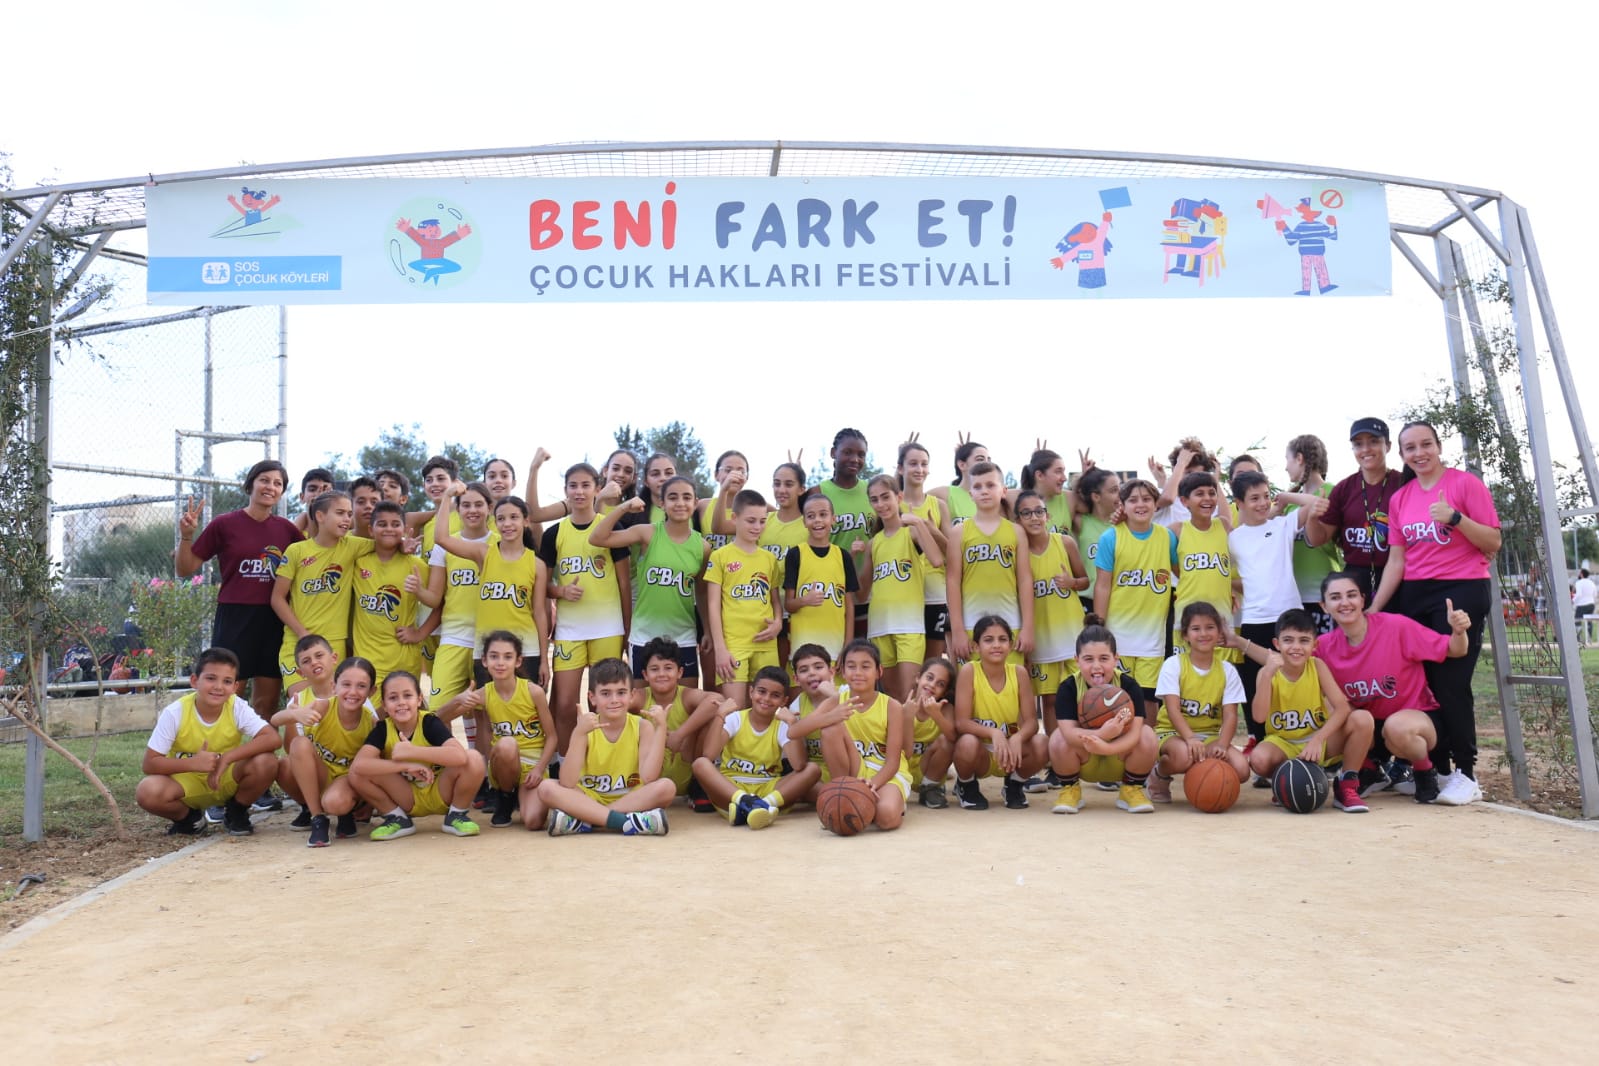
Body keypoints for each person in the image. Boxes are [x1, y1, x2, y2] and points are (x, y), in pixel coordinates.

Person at [1371, 421, 1502, 805]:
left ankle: (1467, 773)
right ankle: (1439, 769)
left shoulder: (1465, 485)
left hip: (1461, 588)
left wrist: (1456, 519)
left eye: (1426, 444)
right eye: (1410, 448)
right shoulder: (1401, 498)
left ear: (1439, 446)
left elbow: (1493, 540)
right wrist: (1374, 608)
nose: (1419, 453)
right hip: (1416, 594)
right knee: (1424, 687)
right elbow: (1397, 560)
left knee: (1451, 683)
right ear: (1402, 454)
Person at [1310, 571, 1475, 805]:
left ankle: (1425, 772)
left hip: (1415, 720)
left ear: (1363, 600)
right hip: (1372, 727)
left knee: (1396, 727)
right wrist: (1250, 648)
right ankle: (1368, 768)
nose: (1345, 602)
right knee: (1326, 701)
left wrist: (1459, 632)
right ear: (1324, 606)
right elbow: (1289, 663)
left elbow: (1456, 649)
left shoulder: (1395, 626)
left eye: (1351, 595)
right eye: (1335, 597)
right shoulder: (1324, 646)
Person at [175, 460, 302, 724]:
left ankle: (258, 750)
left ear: (282, 492)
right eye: (264, 480)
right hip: (235, 616)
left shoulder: (287, 530)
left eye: (277, 483)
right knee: (228, 696)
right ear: (250, 485)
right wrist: (186, 536)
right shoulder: (225, 524)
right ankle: (219, 747)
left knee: (266, 702)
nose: (270, 487)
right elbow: (185, 568)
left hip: (274, 618)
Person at [134, 647, 281, 837]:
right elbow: (150, 764)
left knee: (267, 762)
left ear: (235, 687)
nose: (218, 687)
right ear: (195, 681)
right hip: (187, 781)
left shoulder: (236, 706)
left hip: (225, 777)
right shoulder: (175, 712)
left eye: (227, 681)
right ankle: (189, 819)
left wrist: (227, 758)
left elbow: (272, 738)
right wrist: (193, 763)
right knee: (147, 791)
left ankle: (236, 811)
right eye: (211, 678)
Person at [1227, 469, 1327, 745]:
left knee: (1300, 679)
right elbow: (1222, 572)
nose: (1262, 503)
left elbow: (1315, 503)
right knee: (1257, 683)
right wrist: (1231, 590)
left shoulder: (1283, 525)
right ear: (1239, 502)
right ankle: (1259, 743)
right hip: (1254, 620)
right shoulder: (1233, 538)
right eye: (1254, 498)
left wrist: (1283, 498)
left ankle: (1305, 741)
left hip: (1290, 617)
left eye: (1265, 496)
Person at [1241, 608, 1374, 813]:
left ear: (1314, 645)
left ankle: (1346, 786)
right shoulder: (1267, 673)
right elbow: (1258, 717)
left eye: (1304, 640)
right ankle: (1287, 781)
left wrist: (1318, 739)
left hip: (1317, 740)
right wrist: (1267, 674)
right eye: (1288, 640)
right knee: (1259, 758)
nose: (1296, 647)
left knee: (1363, 719)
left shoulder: (1317, 666)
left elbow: (1342, 708)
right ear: (1277, 644)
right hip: (1283, 743)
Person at [539, 463, 631, 751]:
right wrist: (561, 591)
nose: (579, 491)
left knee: (606, 703)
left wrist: (627, 630)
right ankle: (565, 762)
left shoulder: (610, 527)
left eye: (585, 485)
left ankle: (603, 760)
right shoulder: (554, 533)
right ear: (565, 490)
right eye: (573, 485)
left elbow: (624, 584)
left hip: (608, 628)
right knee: (565, 704)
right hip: (570, 630)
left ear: (597, 488)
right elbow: (542, 586)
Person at [537, 658, 675, 836]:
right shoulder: (586, 727)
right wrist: (579, 734)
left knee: (666, 787)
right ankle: (626, 822)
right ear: (592, 698)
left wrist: (661, 728)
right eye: (605, 693)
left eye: (621, 692)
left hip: (630, 798)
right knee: (546, 788)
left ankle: (587, 820)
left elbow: (648, 777)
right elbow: (567, 782)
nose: (614, 700)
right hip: (589, 797)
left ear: (632, 695)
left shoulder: (643, 726)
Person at [591, 478, 709, 680]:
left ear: (695, 502)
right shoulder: (647, 533)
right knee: (640, 698)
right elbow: (597, 538)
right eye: (673, 497)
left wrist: (706, 631)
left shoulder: (703, 547)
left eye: (686, 497)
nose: (680, 503)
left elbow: (702, 592)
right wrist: (624, 507)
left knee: (684, 697)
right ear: (662, 503)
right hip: (644, 636)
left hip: (683, 637)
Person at [437, 631, 557, 830]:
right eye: (494, 656)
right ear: (484, 661)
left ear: (518, 661)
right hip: (503, 762)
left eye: (507, 657)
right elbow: (436, 720)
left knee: (533, 822)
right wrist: (457, 700)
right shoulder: (484, 694)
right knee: (507, 744)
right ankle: (505, 797)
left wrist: (539, 768)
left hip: (533, 765)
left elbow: (552, 737)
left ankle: (521, 795)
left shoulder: (533, 692)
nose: (500, 663)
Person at [347, 671, 486, 839]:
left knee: (474, 758)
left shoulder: (429, 722)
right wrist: (405, 765)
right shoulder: (383, 729)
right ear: (384, 705)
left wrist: (413, 751)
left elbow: (459, 756)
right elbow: (359, 765)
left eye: (407, 695)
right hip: (405, 796)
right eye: (393, 698)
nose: (401, 702)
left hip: (440, 791)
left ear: (419, 699)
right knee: (356, 773)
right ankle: (397, 818)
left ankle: (456, 814)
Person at [1047, 621, 1160, 814]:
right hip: (1085, 759)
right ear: (1077, 660)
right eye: (1088, 659)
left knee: (1147, 734)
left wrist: (1106, 747)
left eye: (1104, 658)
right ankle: (1070, 789)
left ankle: (1131, 789)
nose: (1096, 666)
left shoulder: (1129, 686)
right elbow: (1068, 733)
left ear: (1116, 659)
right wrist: (1102, 734)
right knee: (1057, 738)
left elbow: (1135, 735)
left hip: (1119, 757)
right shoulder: (1069, 687)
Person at [691, 665, 820, 828]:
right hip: (732, 789)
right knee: (700, 764)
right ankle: (747, 802)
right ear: (751, 692)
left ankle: (761, 806)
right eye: (762, 691)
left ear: (784, 701)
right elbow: (709, 754)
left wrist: (792, 723)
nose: (766, 699)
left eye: (775, 695)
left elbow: (798, 765)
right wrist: (720, 715)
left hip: (768, 788)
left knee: (812, 769)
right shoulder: (736, 719)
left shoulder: (782, 724)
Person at [272, 653, 379, 846]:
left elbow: (378, 766)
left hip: (349, 780)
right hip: (322, 774)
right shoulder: (323, 707)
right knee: (299, 744)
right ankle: (317, 817)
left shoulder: (371, 722)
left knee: (335, 803)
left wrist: (370, 802)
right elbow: (275, 720)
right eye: (346, 684)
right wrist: (294, 715)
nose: (352, 692)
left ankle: (347, 811)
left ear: (372, 691)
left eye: (361, 686)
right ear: (334, 686)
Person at [1148, 603, 1250, 804]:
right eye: (1196, 628)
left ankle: (1203, 782)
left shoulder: (1227, 670)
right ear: (1185, 635)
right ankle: (1159, 774)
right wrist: (1190, 738)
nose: (1203, 633)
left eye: (1210, 627)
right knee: (1184, 756)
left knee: (1241, 769)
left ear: (1219, 632)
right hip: (1172, 732)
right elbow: (1173, 710)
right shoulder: (1174, 665)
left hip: (1209, 736)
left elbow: (1231, 715)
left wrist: (1222, 744)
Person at [270, 490, 371, 691]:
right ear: (320, 516)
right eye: (340, 513)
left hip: (333, 644)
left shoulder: (353, 546)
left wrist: (404, 545)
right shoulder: (297, 550)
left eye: (349, 514)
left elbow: (387, 543)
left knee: (330, 704)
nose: (347, 519)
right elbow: (277, 598)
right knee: (300, 702)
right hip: (298, 641)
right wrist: (302, 633)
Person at [1091, 478, 1176, 711]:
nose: (1141, 504)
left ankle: (1147, 736)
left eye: (1147, 499)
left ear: (1156, 504)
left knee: (1149, 700)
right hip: (1119, 634)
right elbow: (1102, 585)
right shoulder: (1111, 537)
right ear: (1123, 505)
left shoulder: (1167, 537)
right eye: (1133, 500)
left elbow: (1182, 575)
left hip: (1153, 638)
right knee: (1117, 699)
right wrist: (1099, 628)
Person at [807, 639, 909, 831]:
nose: (858, 672)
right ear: (843, 672)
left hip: (885, 773)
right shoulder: (837, 701)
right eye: (851, 666)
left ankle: (889, 803)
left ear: (879, 671)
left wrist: (872, 785)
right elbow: (794, 731)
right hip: (855, 769)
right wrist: (829, 717)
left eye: (865, 666)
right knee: (830, 729)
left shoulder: (892, 706)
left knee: (886, 818)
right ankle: (842, 794)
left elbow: (893, 762)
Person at [860, 474, 944, 697]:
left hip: (909, 625)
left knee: (910, 694)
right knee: (892, 697)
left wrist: (918, 521)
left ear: (898, 497)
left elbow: (937, 560)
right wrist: (852, 556)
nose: (881, 504)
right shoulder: (873, 543)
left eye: (885, 497)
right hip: (879, 626)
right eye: (874, 499)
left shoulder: (912, 532)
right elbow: (861, 593)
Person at [952, 615, 1047, 810]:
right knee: (966, 743)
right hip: (980, 751)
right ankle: (966, 785)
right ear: (976, 646)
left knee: (1043, 743)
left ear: (1010, 646)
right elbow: (961, 722)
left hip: (1011, 751)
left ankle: (1014, 785)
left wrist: (1018, 737)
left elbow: (1031, 722)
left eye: (1002, 639)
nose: (996, 645)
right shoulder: (969, 671)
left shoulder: (1019, 673)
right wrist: (993, 732)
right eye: (988, 640)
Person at [629, 637, 734, 811]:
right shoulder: (640, 698)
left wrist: (680, 734)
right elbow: (614, 705)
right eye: (654, 669)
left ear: (680, 672)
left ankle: (698, 786)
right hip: (649, 779)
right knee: (620, 719)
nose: (662, 674)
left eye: (668, 668)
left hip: (688, 767)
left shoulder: (686, 696)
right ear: (645, 675)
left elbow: (718, 699)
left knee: (711, 717)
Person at [1307, 418, 1404, 604]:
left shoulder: (1403, 484)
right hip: (1355, 580)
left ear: (1388, 445)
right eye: (1358, 444)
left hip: (1399, 577)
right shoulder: (1344, 488)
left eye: (1373, 441)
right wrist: (1312, 517)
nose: (1365, 449)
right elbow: (1318, 539)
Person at [1016, 488, 1088, 735]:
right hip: (1041, 637)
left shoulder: (1064, 542)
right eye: (1026, 513)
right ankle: (1053, 746)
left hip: (1071, 633)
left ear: (1048, 516)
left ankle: (1081, 743)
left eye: (1039, 511)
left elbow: (1085, 581)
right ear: (1018, 520)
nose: (1034, 517)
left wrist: (1072, 583)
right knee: (1049, 699)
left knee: (1080, 695)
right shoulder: (1018, 552)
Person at [946, 461, 1034, 663]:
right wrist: (957, 630)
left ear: (1003, 491)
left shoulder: (1016, 531)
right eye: (977, 487)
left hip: (1010, 624)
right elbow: (952, 581)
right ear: (970, 494)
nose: (984, 491)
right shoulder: (959, 532)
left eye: (990, 485)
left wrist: (1028, 627)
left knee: (1012, 680)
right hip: (971, 625)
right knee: (972, 681)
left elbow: (1025, 580)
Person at [415, 481, 491, 712]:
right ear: (458, 509)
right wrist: (418, 590)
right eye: (466, 505)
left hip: (489, 640)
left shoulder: (500, 543)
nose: (472, 510)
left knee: (485, 714)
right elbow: (435, 598)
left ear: (489, 508)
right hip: (454, 637)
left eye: (479, 504)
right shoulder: (445, 546)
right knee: (437, 711)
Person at [704, 490, 783, 709]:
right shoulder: (720, 556)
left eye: (762, 521)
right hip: (734, 645)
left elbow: (775, 600)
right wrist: (720, 649)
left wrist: (778, 622)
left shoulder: (769, 559)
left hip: (765, 644)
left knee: (766, 708)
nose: (757, 526)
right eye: (751, 520)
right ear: (734, 518)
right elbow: (713, 605)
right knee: (735, 708)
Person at [350, 501, 430, 705]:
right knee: (371, 718)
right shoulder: (358, 561)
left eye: (395, 524)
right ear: (371, 529)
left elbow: (440, 602)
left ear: (404, 528)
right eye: (382, 524)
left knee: (404, 716)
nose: (389, 529)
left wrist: (420, 633)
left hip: (404, 660)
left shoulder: (416, 566)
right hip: (368, 662)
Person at [783, 491, 858, 663]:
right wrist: (805, 600)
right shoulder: (795, 554)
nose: (817, 520)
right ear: (804, 521)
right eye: (811, 516)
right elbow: (789, 605)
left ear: (833, 519)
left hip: (836, 649)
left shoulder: (843, 556)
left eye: (823, 515)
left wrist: (847, 646)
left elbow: (849, 607)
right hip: (803, 650)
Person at [897, 440, 952, 660]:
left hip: (935, 591)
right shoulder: (892, 505)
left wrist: (932, 531)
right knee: (907, 661)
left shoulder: (939, 506)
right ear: (900, 468)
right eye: (913, 463)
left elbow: (952, 553)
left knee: (933, 663)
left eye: (924, 464)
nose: (919, 469)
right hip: (904, 591)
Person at [1282, 433, 1342, 632]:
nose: (1285, 467)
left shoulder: (1333, 491)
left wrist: (1285, 497)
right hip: (1294, 596)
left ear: (1299, 458)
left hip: (1323, 593)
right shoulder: (1291, 503)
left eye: (1287, 459)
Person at [902, 658, 957, 809]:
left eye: (940, 684)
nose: (932, 685)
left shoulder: (946, 709)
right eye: (929, 678)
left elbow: (953, 738)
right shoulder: (903, 707)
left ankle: (930, 788)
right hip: (903, 770)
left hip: (929, 771)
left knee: (946, 741)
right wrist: (907, 718)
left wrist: (936, 715)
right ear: (918, 678)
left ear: (945, 692)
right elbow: (903, 750)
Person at [1072, 465, 1121, 608]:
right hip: (1087, 600)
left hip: (1118, 601)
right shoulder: (1080, 522)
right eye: (1114, 490)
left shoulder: (1124, 524)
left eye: (1120, 488)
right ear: (1096, 497)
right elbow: (1070, 501)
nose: (1120, 494)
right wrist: (1084, 477)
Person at [1576, 568, 1597, 646]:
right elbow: (1595, 594)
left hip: (1582, 604)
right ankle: (1589, 638)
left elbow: (1579, 594)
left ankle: (1579, 638)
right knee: (1589, 620)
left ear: (1581, 574)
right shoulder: (1592, 583)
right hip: (1591, 604)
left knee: (1577, 620)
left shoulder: (1579, 582)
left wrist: (1573, 600)